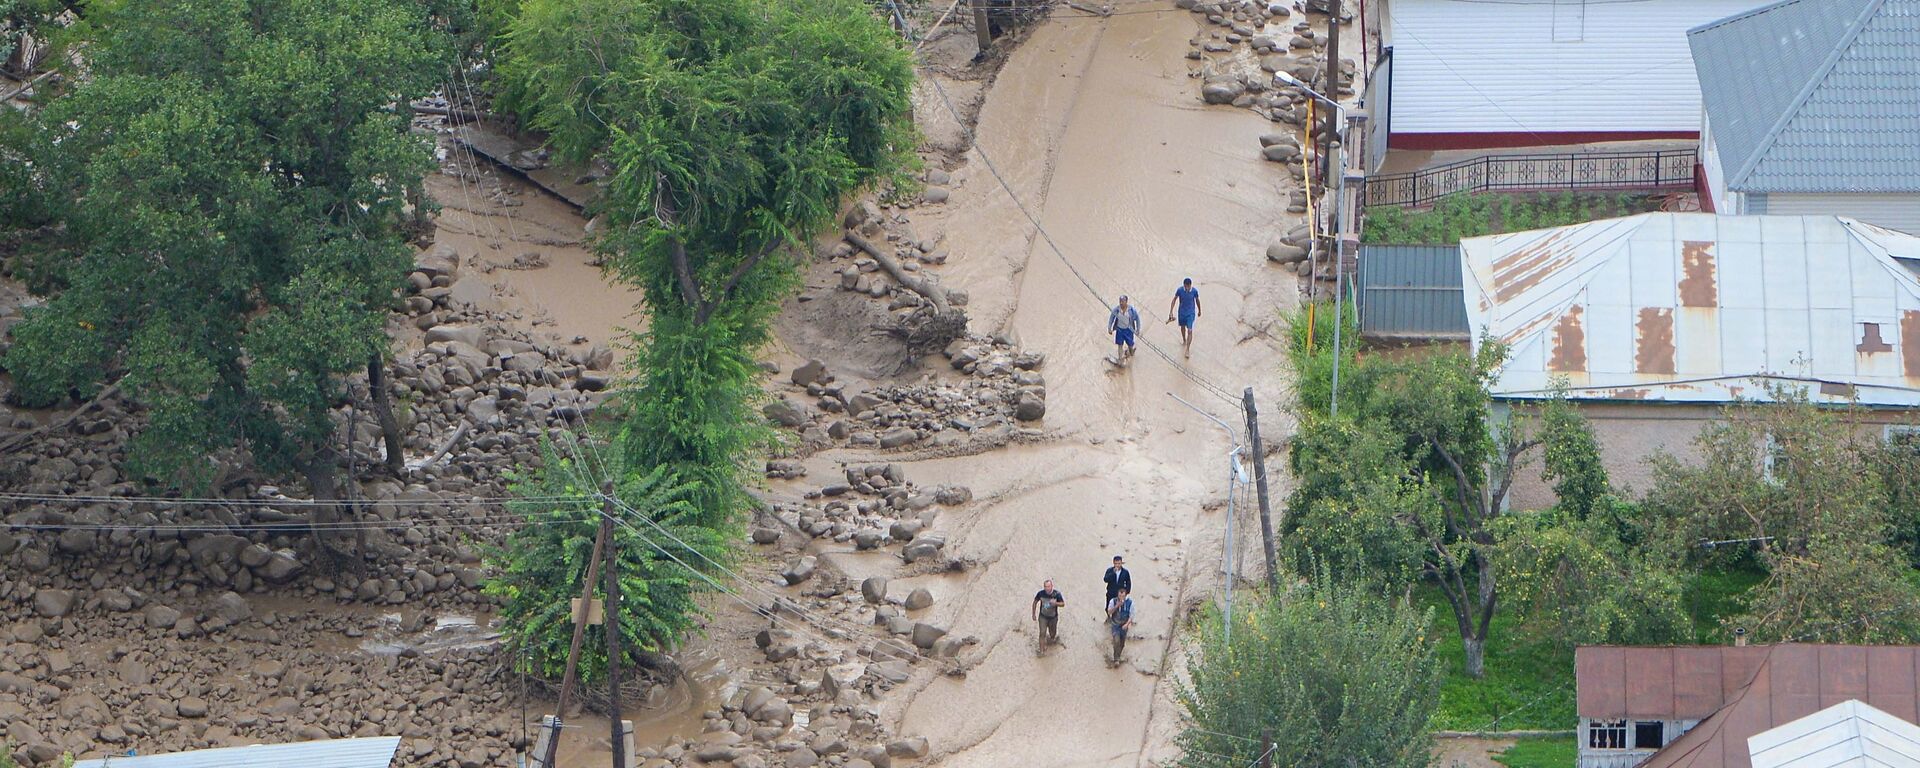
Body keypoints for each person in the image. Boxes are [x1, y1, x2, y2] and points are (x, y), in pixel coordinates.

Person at [1166, 278, 1201, 357]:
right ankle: (1184, 340)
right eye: (1185, 287)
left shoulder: (1194, 291)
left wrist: (1199, 310)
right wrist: (1171, 311)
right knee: (1182, 327)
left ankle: (1187, 349)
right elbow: (1174, 299)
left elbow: (1197, 300)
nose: (1186, 288)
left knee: (1189, 330)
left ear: (1190, 285)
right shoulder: (1180, 290)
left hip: (1190, 313)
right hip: (1181, 312)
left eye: (1187, 287)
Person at [1031, 579, 1066, 646]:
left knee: (1052, 634)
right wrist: (1033, 614)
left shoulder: (1057, 594)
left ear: (1052, 586)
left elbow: (1063, 604)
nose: (1047, 588)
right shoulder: (1040, 593)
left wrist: (1055, 603)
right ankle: (1041, 651)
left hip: (1053, 617)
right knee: (1042, 633)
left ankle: (1052, 639)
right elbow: (1035, 602)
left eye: (1048, 586)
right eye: (1045, 587)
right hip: (1042, 616)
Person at [1106, 587, 1135, 665]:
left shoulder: (1130, 603)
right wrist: (1117, 606)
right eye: (1120, 593)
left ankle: (1118, 655)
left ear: (1126, 594)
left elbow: (1131, 616)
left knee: (1122, 643)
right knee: (1116, 641)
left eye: (1123, 594)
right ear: (1118, 594)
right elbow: (1109, 612)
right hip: (1115, 625)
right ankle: (1116, 659)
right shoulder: (1113, 601)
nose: (1121, 595)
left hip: (1124, 626)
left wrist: (1127, 624)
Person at [1108, 296, 1141, 364]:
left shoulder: (1131, 310)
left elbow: (1137, 319)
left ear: (1126, 302)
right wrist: (1109, 328)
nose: (1121, 303)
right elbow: (1111, 318)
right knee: (1120, 345)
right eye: (1120, 301)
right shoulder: (1116, 310)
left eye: (1123, 301)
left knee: (1130, 345)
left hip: (1128, 330)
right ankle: (1120, 359)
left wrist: (1138, 330)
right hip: (1119, 330)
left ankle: (1131, 353)